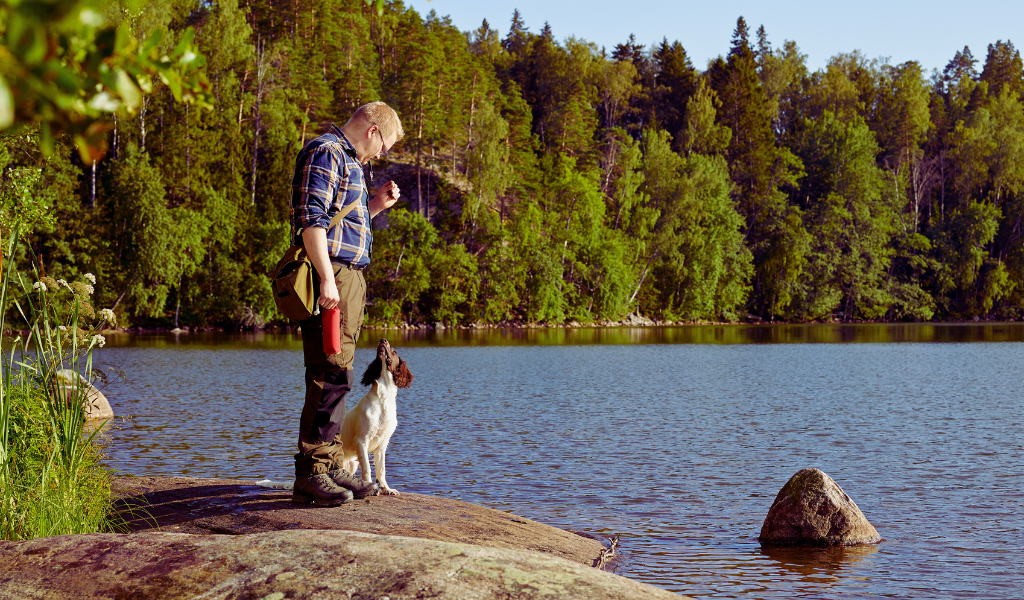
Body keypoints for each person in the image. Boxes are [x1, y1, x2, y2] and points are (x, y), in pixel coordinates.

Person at [290, 101, 404, 506]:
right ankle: (313, 472)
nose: (381, 155)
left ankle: (333, 464)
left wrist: (375, 207)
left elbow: (343, 224)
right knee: (327, 370)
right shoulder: (326, 152)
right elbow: (312, 219)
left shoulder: (351, 163)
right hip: (333, 276)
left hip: (348, 277)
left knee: (340, 373)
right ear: (373, 130)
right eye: (384, 145)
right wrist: (325, 278)